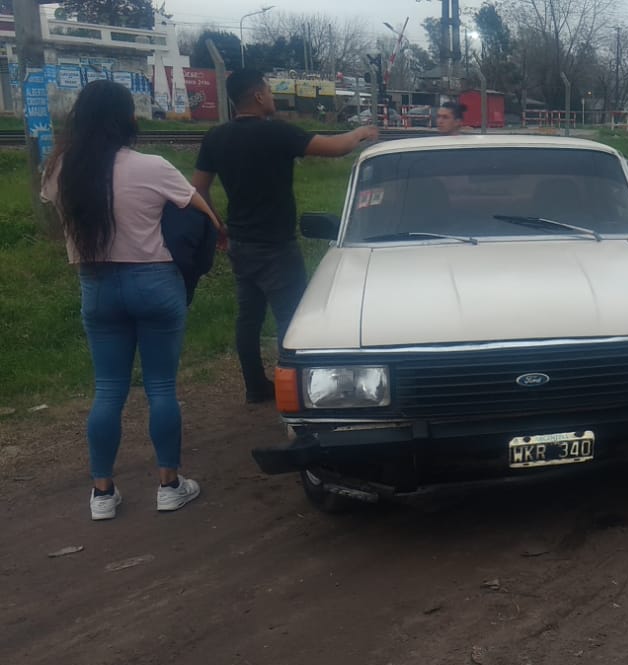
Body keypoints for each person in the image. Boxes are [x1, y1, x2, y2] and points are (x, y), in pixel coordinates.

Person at [41, 80, 222, 520]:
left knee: (107, 391)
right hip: (156, 283)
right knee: (161, 387)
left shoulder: (60, 169)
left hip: (98, 285)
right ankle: (169, 486)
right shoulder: (152, 166)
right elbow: (207, 215)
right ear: (128, 120)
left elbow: (55, 213)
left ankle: (102, 495)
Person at [193, 69, 377, 404]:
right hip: (276, 246)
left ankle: (255, 387)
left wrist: (217, 225)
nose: (272, 95)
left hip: (240, 244)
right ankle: (294, 391)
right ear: (259, 95)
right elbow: (336, 148)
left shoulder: (215, 137)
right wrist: (362, 132)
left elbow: (199, 188)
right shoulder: (276, 133)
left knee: (248, 318)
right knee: (291, 319)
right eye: (268, 89)